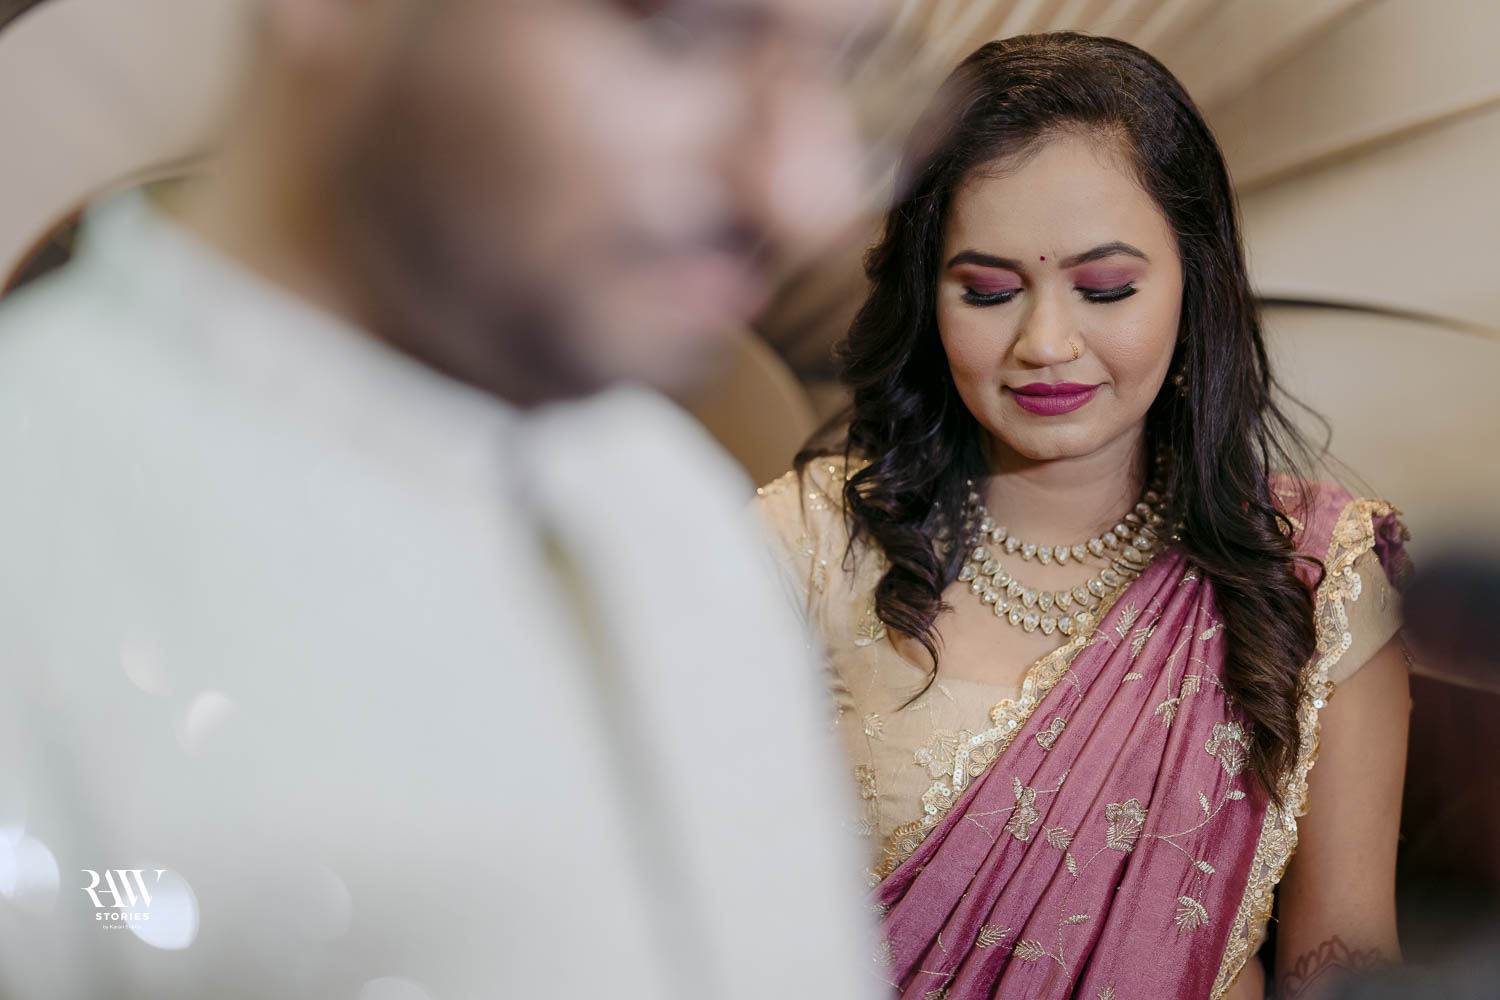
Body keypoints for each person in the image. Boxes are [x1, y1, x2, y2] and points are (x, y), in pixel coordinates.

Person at [0, 1, 888, 997]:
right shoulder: (34, 538)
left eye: (843, 66)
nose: (805, 193)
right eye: (683, 32)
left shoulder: (684, 506)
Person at [756, 33, 1411, 1000]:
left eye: (1106, 289)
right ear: (927, 297)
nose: (1046, 342)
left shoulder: (1315, 578)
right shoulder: (804, 548)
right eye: (988, 291)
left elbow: (1345, 965)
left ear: (1195, 284)